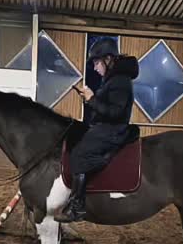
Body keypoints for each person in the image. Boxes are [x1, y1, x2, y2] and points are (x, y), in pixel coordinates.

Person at [56, 38, 139, 223]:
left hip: (113, 130)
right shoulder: (113, 78)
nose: (94, 68)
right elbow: (105, 106)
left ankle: (77, 208)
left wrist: (92, 99)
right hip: (105, 126)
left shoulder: (120, 81)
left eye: (96, 63)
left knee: (79, 155)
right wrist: (89, 99)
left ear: (108, 59)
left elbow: (116, 113)